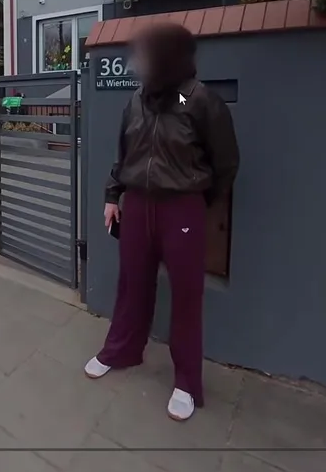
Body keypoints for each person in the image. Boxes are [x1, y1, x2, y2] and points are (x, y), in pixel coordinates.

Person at [85, 22, 240, 422]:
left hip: (182, 210)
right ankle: (121, 350)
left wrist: (197, 200)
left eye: (146, 54)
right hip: (137, 205)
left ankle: (186, 382)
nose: (138, 63)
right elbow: (124, 155)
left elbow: (226, 163)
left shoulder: (200, 101)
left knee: (187, 297)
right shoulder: (136, 102)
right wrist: (113, 196)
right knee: (132, 284)